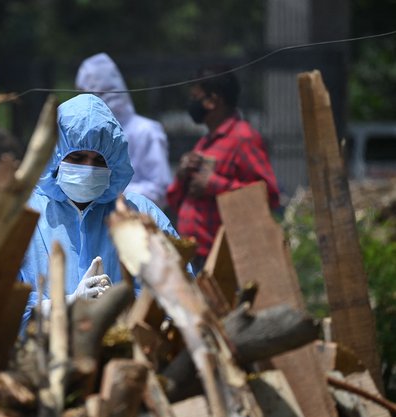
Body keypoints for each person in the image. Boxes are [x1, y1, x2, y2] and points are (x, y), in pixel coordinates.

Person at [19, 93, 180, 325]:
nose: (88, 168)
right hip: (40, 357)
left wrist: (122, 304)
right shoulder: (23, 218)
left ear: (113, 163)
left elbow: (179, 292)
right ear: (55, 156)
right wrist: (67, 304)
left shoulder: (141, 215)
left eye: (98, 161)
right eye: (77, 156)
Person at [166, 66, 280, 274]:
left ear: (213, 100)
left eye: (195, 97)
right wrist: (182, 176)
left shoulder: (243, 138)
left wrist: (214, 184)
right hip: (194, 257)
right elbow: (174, 201)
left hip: (223, 260)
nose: (192, 103)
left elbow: (268, 196)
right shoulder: (205, 142)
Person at [75, 53, 172, 206]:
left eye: (87, 95)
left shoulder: (146, 131)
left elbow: (160, 190)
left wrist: (107, 191)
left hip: (138, 223)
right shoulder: (87, 135)